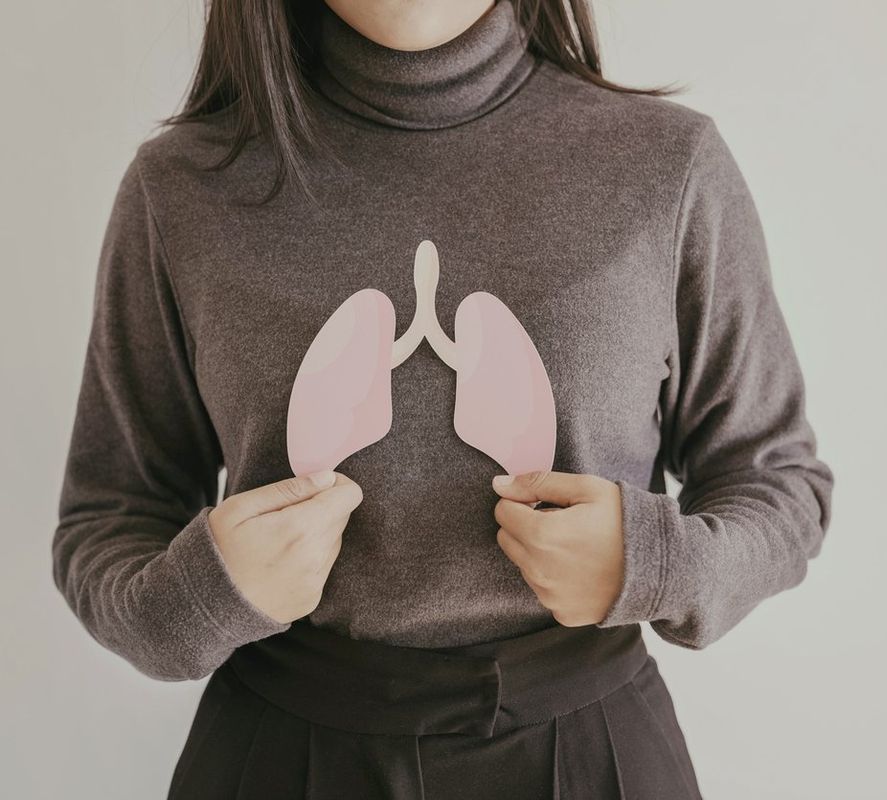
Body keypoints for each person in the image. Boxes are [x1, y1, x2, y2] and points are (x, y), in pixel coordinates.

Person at [51, 0, 835, 796]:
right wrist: (199, 599)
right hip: (279, 754)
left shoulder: (671, 165)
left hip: (593, 754)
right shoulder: (181, 186)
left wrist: (658, 565)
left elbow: (779, 487)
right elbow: (109, 517)